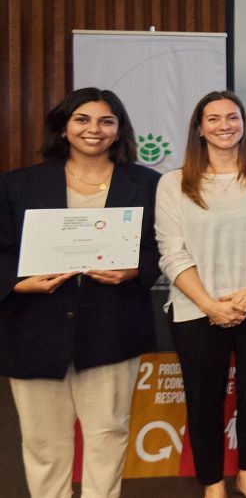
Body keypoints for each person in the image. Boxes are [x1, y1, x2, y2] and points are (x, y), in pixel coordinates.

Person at [0, 88, 160, 498]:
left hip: (111, 328)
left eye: (106, 121)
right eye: (82, 120)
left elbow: (161, 248)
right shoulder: (19, 184)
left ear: (119, 130)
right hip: (36, 328)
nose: (95, 129)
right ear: (63, 128)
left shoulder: (147, 184)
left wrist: (134, 270)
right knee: (43, 442)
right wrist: (19, 282)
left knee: (108, 434)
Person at [155, 91, 246, 498]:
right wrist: (209, 305)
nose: (224, 126)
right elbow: (171, 252)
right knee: (204, 399)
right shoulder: (173, 183)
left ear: (244, 124)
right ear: (199, 129)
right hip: (196, 308)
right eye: (213, 119)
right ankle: (213, 482)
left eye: (232, 117)